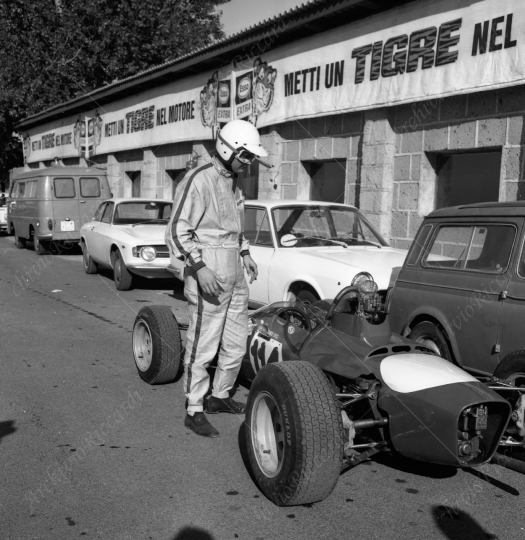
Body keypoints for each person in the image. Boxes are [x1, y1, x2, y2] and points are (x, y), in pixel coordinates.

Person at [166, 119, 267, 437]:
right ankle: (194, 408)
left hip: (235, 274)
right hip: (207, 272)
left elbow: (234, 228)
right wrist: (198, 266)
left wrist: (246, 253)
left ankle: (219, 396)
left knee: (237, 342)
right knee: (203, 343)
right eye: (247, 156)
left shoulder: (235, 183)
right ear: (229, 149)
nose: (249, 164)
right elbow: (176, 230)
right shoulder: (198, 180)